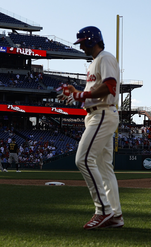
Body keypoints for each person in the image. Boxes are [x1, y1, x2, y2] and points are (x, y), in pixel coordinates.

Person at [57, 26, 123, 230]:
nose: (81, 47)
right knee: (104, 169)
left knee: (83, 159)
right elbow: (92, 91)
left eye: (83, 42)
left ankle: (102, 211)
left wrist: (80, 95)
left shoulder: (105, 57)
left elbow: (110, 86)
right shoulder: (94, 63)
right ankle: (115, 215)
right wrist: (75, 93)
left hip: (102, 113)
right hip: (97, 113)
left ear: (91, 40)